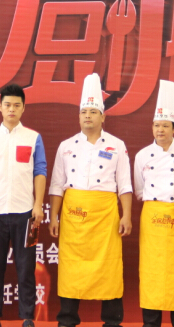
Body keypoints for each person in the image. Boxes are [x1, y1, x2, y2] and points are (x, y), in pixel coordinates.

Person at [48, 73, 132, 327]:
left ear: (103, 116)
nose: (88, 116)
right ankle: (67, 320)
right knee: (71, 267)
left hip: (105, 217)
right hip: (74, 216)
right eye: (84, 111)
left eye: (93, 112)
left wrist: (126, 215)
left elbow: (125, 185)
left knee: (109, 267)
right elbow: (57, 185)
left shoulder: (117, 145)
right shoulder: (66, 146)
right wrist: (54, 216)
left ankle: (112, 321)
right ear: (79, 116)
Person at [0, 84, 48, 327]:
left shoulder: (33, 137)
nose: (11, 109)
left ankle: (27, 317)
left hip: (26, 213)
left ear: (23, 108)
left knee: (26, 268)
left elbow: (40, 171)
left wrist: (38, 204)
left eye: (17, 105)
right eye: (7, 104)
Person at [134, 80, 174, 327]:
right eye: (156, 125)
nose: (160, 130)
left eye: (165, 125)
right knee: (151, 270)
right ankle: (151, 322)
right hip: (153, 217)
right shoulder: (142, 155)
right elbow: (139, 189)